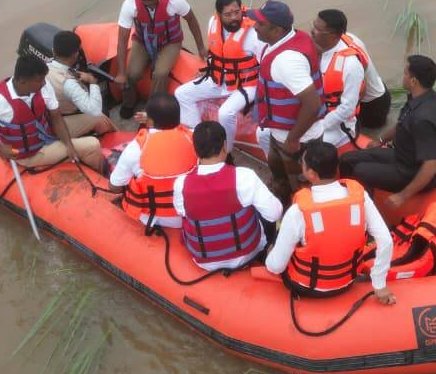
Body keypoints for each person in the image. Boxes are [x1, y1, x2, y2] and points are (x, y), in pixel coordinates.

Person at [264, 140, 396, 304]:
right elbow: (386, 240)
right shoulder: (361, 199)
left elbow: (276, 267)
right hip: (347, 281)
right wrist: (379, 283)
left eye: (302, 164)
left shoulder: (297, 212)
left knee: (276, 240)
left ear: (310, 173)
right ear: (337, 168)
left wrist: (269, 256)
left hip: (307, 286)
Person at [0, 53, 105, 172]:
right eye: (39, 80)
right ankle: (102, 175)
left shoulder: (42, 85)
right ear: (23, 82)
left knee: (98, 118)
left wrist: (68, 144)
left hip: (49, 132)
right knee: (92, 145)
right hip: (31, 153)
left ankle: (118, 147)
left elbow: (55, 117)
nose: (44, 83)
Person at [339, 54, 436, 208]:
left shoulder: (424, 119)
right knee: (347, 160)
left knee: (360, 172)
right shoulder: (421, 97)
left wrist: (402, 196)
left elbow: (432, 165)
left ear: (413, 81)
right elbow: (403, 123)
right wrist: (381, 139)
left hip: (412, 170)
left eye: (405, 73)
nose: (402, 77)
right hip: (402, 157)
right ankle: (346, 201)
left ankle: (366, 216)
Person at [173, 121, 284, 271]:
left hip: (203, 261)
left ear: (195, 150)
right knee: (265, 209)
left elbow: (182, 213)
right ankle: (266, 252)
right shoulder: (244, 176)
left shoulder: (181, 183)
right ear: (225, 145)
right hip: (247, 253)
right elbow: (274, 213)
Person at [249, 0, 326, 200]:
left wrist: (293, 139)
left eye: (260, 24)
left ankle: (295, 209)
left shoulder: (286, 61)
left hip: (299, 137)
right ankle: (279, 189)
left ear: (276, 31)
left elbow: (313, 104)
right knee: (276, 165)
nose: (254, 26)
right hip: (281, 131)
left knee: (298, 184)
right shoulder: (294, 37)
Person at [174, 0, 265, 155]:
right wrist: (209, 68)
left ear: (241, 10)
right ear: (219, 15)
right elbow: (215, 52)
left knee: (225, 113)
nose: (233, 18)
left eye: (236, 12)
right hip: (218, 79)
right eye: (228, 14)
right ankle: (197, 136)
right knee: (181, 93)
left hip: (246, 85)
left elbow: (266, 63)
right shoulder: (212, 23)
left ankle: (226, 152)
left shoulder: (253, 34)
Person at [112, 0, 205, 119]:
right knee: (132, 74)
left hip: (170, 42)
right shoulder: (130, 4)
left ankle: (152, 111)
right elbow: (122, 40)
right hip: (142, 41)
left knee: (160, 73)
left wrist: (201, 48)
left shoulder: (175, 0)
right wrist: (121, 73)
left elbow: (192, 21)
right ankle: (129, 101)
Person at [109, 93, 196, 227]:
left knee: (130, 179)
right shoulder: (194, 137)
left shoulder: (136, 148)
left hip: (158, 216)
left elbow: (115, 187)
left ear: (149, 121)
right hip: (191, 212)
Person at [309, 9, 386, 150]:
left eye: (317, 29)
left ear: (332, 35)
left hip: (373, 102)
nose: (312, 31)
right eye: (313, 25)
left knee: (371, 131)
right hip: (359, 93)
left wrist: (319, 125)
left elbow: (356, 95)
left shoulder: (350, 64)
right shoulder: (341, 38)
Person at [46, 30, 116, 138]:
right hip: (61, 121)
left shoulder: (44, 67)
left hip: (48, 116)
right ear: (76, 55)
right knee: (101, 117)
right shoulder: (68, 83)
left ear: (53, 51)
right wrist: (92, 82)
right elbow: (95, 111)